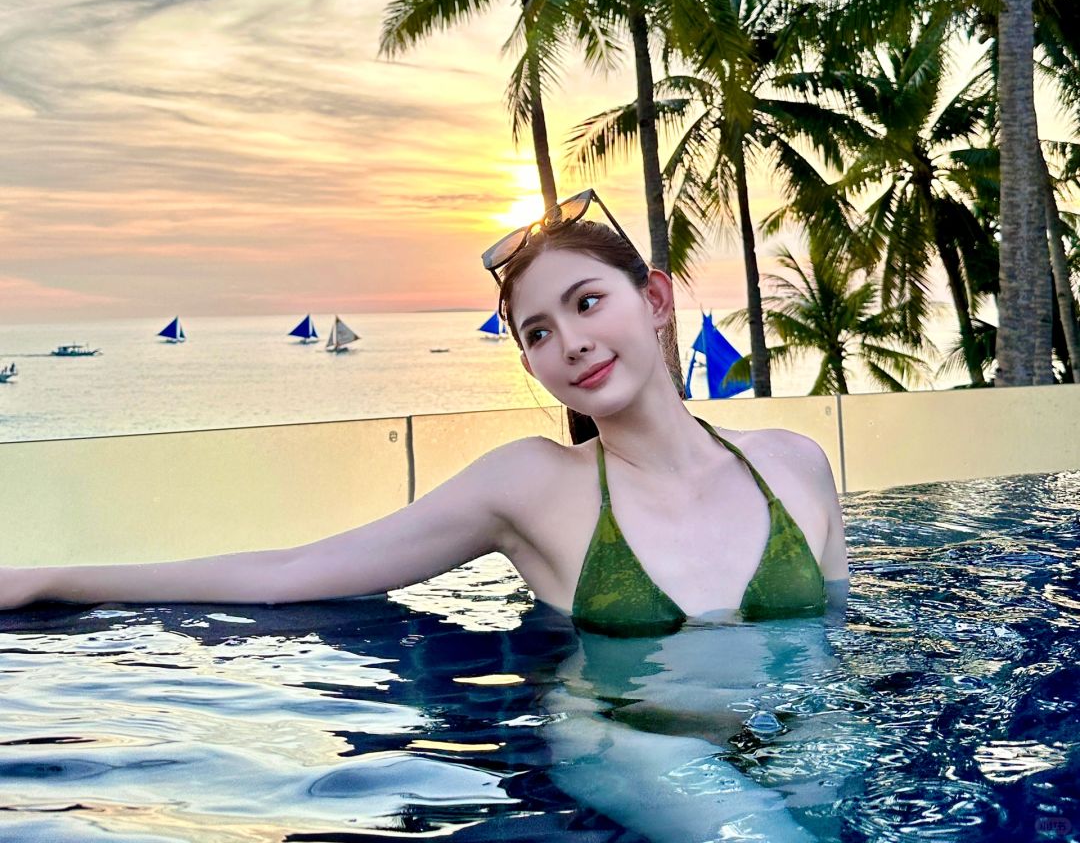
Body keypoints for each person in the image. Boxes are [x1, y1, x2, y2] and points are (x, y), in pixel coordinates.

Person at [0, 189, 849, 626]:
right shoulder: (533, 487)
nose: (572, 344)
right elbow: (290, 572)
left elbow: (839, 652)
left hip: (806, 740)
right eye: (539, 333)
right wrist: (51, 580)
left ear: (656, 299)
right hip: (634, 748)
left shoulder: (795, 465)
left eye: (588, 303)